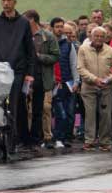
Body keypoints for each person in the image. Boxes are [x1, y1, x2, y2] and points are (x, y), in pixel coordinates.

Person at [27, 10, 57, 151]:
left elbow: (55, 56)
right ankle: (25, 138)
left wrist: (40, 57)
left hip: (41, 77)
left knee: (40, 110)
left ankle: (36, 138)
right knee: (26, 110)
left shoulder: (48, 36)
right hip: (26, 78)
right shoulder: (24, 35)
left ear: (33, 20)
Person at [50, 17, 78, 149]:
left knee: (68, 112)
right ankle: (55, 137)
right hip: (52, 83)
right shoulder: (48, 44)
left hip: (67, 82)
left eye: (61, 26)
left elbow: (73, 64)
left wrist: (76, 81)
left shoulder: (68, 45)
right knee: (58, 112)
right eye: (57, 26)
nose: (60, 29)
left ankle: (65, 137)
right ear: (52, 28)